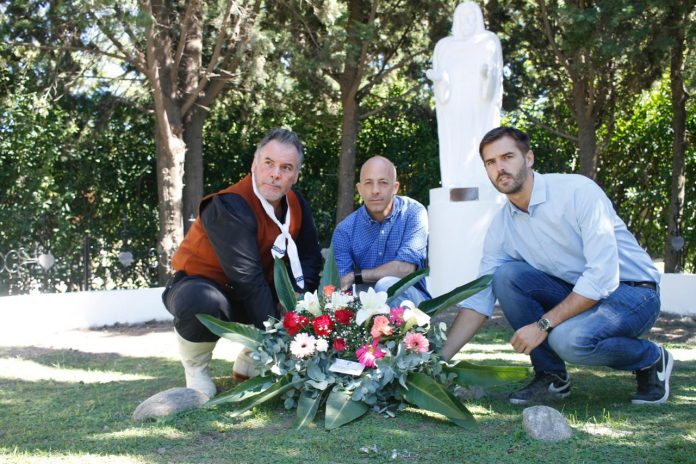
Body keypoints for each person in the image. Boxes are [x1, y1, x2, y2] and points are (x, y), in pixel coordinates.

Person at [442, 126, 672, 405]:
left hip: (634, 292)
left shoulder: (577, 192)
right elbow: (480, 299)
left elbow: (602, 277)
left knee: (568, 340)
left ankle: (651, 359)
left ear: (529, 158)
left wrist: (543, 325)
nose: (500, 168)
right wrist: (436, 360)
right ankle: (551, 377)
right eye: (491, 162)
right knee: (506, 276)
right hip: (578, 293)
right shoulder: (502, 226)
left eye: (508, 157)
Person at [163, 128, 322, 398]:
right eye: (268, 163)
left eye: (286, 168)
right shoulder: (230, 204)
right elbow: (247, 278)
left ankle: (251, 357)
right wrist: (278, 341)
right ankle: (196, 368)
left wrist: (297, 300)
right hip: (204, 287)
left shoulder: (297, 204)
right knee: (200, 299)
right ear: (254, 165)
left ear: (295, 175)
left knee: (312, 290)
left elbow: (310, 258)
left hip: (256, 290)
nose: (275, 174)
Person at [331, 156, 430, 305]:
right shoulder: (344, 231)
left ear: (395, 187)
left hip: (413, 305)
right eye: (368, 183)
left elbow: (405, 269)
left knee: (386, 286)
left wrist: (357, 275)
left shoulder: (413, 212)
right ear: (359, 189)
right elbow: (344, 284)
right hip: (365, 307)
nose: (375, 190)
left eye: (383, 183)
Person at [426, 1, 502, 188]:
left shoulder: (489, 41)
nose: (468, 21)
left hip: (479, 108)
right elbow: (442, 87)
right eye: (464, 17)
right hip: (454, 110)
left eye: (472, 17)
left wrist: (486, 76)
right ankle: (455, 182)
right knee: (456, 146)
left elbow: (493, 81)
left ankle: (484, 182)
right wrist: (440, 79)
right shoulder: (444, 47)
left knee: (482, 142)